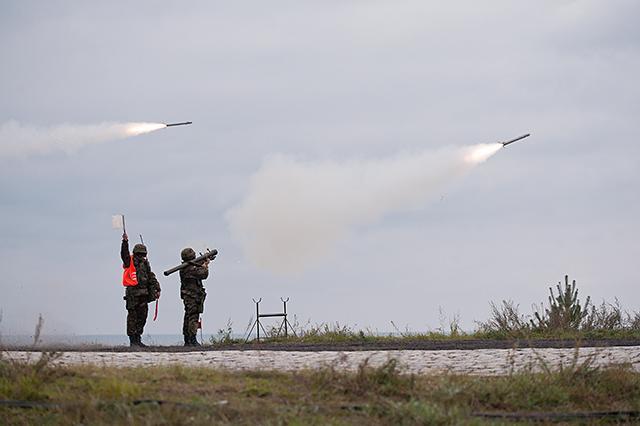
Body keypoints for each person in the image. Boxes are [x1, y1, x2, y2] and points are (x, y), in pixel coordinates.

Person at [120, 232, 161, 347]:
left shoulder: (145, 264)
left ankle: (138, 338)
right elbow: (124, 255)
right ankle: (133, 340)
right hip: (133, 294)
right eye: (139, 254)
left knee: (143, 316)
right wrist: (125, 242)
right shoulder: (129, 261)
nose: (141, 257)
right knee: (133, 317)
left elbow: (150, 276)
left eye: (143, 255)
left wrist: (157, 287)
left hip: (143, 294)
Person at [179, 247, 209, 346]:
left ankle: (188, 340)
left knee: (188, 316)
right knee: (192, 317)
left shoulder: (185, 267)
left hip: (190, 295)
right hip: (192, 296)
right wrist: (206, 265)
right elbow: (203, 274)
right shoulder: (189, 268)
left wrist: (203, 261)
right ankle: (192, 339)